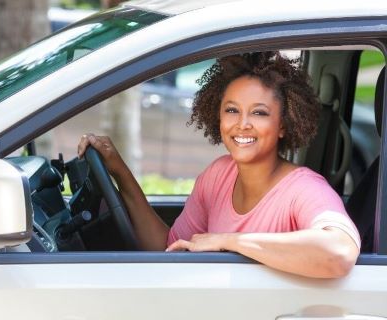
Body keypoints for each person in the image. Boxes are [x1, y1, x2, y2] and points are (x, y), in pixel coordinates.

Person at [78, 51, 360, 278]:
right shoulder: (218, 175)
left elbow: (340, 252)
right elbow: (167, 248)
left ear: (283, 125)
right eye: (232, 110)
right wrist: (119, 171)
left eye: (259, 113)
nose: (242, 124)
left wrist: (228, 241)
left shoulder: (303, 188)